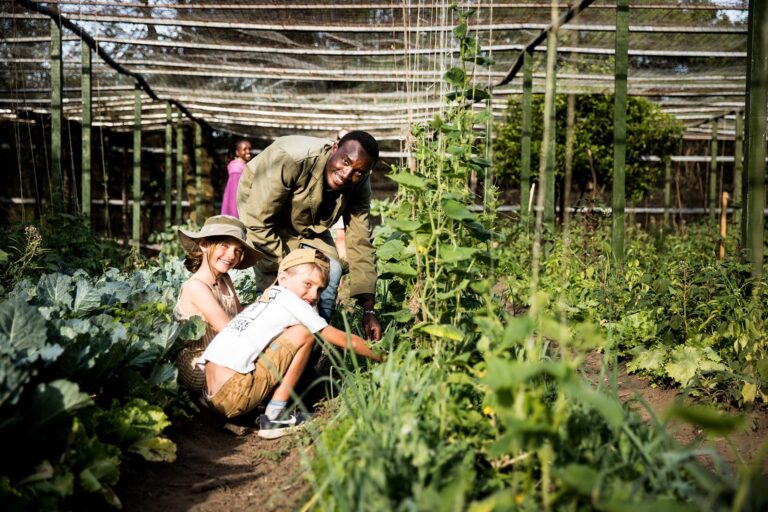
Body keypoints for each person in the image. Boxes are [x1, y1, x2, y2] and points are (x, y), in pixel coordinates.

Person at [199, 248, 382, 439]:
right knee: (305, 334)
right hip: (234, 392)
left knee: (288, 335)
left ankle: (260, 409)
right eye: (307, 284)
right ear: (283, 278)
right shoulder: (295, 304)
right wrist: (384, 355)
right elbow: (346, 341)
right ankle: (274, 416)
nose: (313, 295)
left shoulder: (269, 298)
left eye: (319, 289)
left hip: (211, 395)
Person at [236, 130, 382, 340]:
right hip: (265, 213)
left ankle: (311, 349)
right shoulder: (291, 158)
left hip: (307, 221)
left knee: (331, 269)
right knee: (282, 284)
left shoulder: (359, 181)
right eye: (345, 161)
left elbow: (360, 240)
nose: (347, 174)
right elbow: (259, 223)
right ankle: (264, 351)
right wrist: (285, 269)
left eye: (358, 171)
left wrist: (369, 309)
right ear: (335, 148)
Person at [174, 215, 263, 392]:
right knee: (261, 368)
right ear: (204, 245)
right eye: (225, 245)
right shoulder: (196, 287)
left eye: (238, 250)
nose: (231, 255)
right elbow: (229, 330)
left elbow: (241, 315)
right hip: (200, 364)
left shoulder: (225, 278)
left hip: (225, 355)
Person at [221, 139, 251, 217]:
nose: (248, 151)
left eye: (249, 149)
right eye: (244, 149)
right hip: (237, 211)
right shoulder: (236, 170)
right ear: (237, 152)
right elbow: (235, 195)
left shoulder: (245, 167)